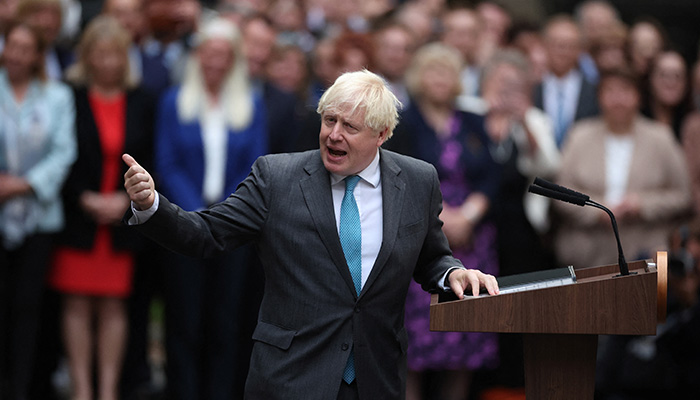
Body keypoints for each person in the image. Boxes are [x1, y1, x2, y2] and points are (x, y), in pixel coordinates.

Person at [122, 69, 500, 400]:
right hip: (291, 377)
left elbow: (431, 256)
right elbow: (205, 234)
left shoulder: (417, 180)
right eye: (329, 120)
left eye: (349, 127)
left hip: (376, 378)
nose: (334, 135)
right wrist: (151, 204)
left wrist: (453, 273)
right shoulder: (277, 177)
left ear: (382, 133)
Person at [153, 17, 268, 400]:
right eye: (209, 53)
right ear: (198, 55)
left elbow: (256, 165)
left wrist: (223, 214)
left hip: (233, 231)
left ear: (234, 58)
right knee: (184, 319)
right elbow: (166, 164)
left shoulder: (251, 101)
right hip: (184, 226)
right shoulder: (174, 100)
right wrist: (195, 217)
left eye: (224, 54)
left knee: (226, 320)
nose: (215, 61)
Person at [47, 16, 154, 400]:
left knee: (113, 305)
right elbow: (60, 153)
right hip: (79, 215)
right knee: (75, 304)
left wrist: (125, 200)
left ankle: (107, 391)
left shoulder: (142, 99)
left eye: (115, 55)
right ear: (87, 56)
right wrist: (83, 197)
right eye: (100, 54)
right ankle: (81, 388)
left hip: (124, 218)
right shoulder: (69, 95)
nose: (108, 63)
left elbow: (150, 155)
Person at [387, 43, 500, 400]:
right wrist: (440, 218)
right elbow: (396, 175)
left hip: (471, 243)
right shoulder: (403, 122)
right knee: (416, 347)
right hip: (419, 242)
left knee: (464, 343)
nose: (440, 79)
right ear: (419, 76)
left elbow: (492, 176)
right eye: (432, 71)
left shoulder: (472, 120)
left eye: (447, 71)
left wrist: (468, 215)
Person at [0, 20, 76, 400]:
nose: (14, 53)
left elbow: (64, 151)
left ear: (37, 56)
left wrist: (23, 185)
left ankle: (23, 388)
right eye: (9, 44)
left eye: (23, 47)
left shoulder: (57, 96)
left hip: (39, 216)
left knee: (29, 308)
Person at [554, 67, 691, 269]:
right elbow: (559, 192)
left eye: (625, 91)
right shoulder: (579, 135)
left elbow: (682, 195)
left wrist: (641, 204)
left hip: (645, 251)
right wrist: (597, 209)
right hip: (586, 252)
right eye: (610, 91)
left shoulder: (660, 138)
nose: (618, 99)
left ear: (638, 96)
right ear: (599, 97)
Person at [534, 14, 599, 149]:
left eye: (570, 45)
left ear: (580, 49)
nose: (563, 51)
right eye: (558, 44)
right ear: (544, 46)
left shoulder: (594, 91)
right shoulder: (531, 88)